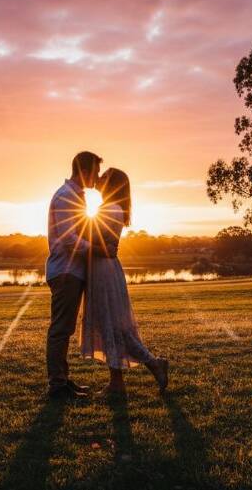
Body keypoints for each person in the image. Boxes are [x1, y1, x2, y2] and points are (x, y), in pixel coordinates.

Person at [80, 167, 169, 395]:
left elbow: (100, 245)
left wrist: (81, 242)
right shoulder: (108, 208)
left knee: (114, 327)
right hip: (101, 270)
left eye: (104, 176)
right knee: (109, 326)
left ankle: (151, 364)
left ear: (111, 184)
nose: (98, 178)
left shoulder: (110, 209)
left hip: (104, 272)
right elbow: (100, 245)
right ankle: (117, 381)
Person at [45, 151, 103, 399]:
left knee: (65, 328)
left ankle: (63, 380)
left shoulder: (73, 195)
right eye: (96, 172)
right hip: (66, 271)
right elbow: (70, 238)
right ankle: (57, 385)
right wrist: (97, 249)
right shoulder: (67, 196)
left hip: (71, 271)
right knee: (60, 329)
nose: (97, 177)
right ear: (85, 171)